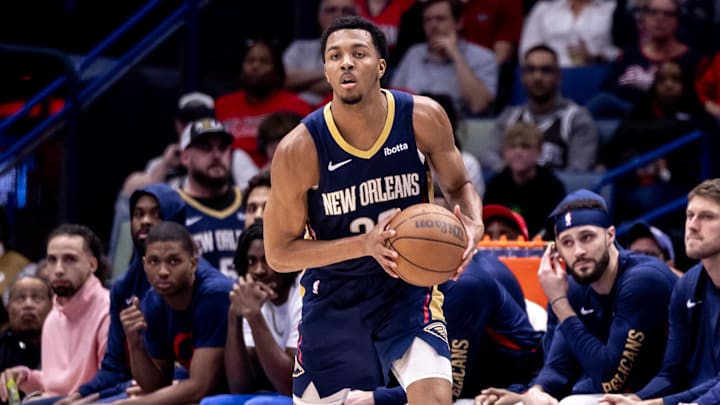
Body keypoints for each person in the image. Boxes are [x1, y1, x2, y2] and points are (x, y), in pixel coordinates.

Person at [264, 15, 484, 405]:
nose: (346, 62)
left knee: (434, 397)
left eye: (358, 53)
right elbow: (279, 254)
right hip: (334, 294)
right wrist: (363, 245)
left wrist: (473, 220)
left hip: (407, 285)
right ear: (326, 71)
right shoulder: (300, 149)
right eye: (335, 56)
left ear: (380, 66)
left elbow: (460, 186)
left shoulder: (422, 117)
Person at [477, 189, 678, 404]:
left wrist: (559, 302)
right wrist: (534, 392)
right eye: (567, 242)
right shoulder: (575, 286)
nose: (579, 251)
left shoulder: (642, 280)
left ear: (610, 235)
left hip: (669, 394)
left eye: (587, 237)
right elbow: (559, 363)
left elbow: (609, 380)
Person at [344, 252, 545, 404]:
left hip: (519, 378)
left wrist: (375, 397)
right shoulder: (404, 278)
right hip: (470, 369)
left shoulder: (464, 286)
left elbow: (450, 389)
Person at [59, 183, 189, 404]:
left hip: (174, 387)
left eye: (156, 214)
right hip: (129, 386)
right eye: (139, 214)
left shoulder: (191, 281)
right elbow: (113, 367)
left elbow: (186, 367)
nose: (145, 221)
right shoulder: (122, 287)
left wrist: (99, 396)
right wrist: (78, 395)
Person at [598, 178, 720, 405]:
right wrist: (637, 400)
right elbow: (671, 373)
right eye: (690, 215)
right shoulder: (686, 285)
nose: (692, 225)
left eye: (707, 216)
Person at [110, 221, 232, 405]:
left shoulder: (215, 295)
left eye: (173, 261)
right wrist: (135, 343)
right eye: (154, 262)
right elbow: (156, 386)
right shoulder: (152, 300)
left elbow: (201, 388)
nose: (163, 272)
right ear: (144, 264)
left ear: (192, 264)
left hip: (256, 390)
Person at [0, 224, 111, 403]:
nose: (58, 269)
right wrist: (26, 377)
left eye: (70, 259)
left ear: (92, 264)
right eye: (52, 260)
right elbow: (54, 384)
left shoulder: (108, 310)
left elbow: (113, 382)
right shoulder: (53, 318)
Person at [200, 221, 301, 405]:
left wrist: (253, 315)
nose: (259, 270)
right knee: (212, 403)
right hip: (276, 393)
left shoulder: (302, 293)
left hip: (313, 396)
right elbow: (239, 386)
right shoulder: (251, 296)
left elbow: (291, 386)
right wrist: (234, 315)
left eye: (267, 259)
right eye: (251, 261)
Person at [482, 45, 598, 173]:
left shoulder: (576, 118)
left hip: (558, 191)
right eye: (531, 70)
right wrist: (516, 179)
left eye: (546, 70)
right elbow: (489, 156)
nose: (538, 77)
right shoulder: (510, 117)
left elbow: (578, 170)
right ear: (522, 76)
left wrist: (539, 183)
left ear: (558, 76)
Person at [215, 38, 313, 168]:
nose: (255, 66)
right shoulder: (222, 106)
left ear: (277, 71)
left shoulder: (298, 106)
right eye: (250, 61)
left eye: (264, 62)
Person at [390, 0, 497, 115]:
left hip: (459, 127)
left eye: (440, 19)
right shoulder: (413, 54)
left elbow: (478, 105)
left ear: (459, 22)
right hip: (413, 123)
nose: (433, 25)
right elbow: (393, 102)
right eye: (428, 20)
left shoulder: (483, 57)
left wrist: (455, 55)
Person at [177, 118, 246, 278]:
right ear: (185, 156)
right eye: (205, 148)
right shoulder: (173, 208)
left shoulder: (250, 202)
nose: (216, 155)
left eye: (222, 148)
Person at [483, 121, 567, 238]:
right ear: (504, 152)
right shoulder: (495, 185)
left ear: (539, 151)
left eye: (525, 147)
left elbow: (556, 227)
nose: (518, 152)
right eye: (512, 146)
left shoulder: (552, 186)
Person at [283, 0, 359, 106]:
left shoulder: (365, 52)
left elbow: (355, 85)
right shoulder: (299, 48)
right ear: (320, 17)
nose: (338, 15)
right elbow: (284, 79)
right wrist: (331, 74)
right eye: (331, 10)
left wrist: (300, 83)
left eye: (346, 11)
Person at [519, 0, 618, 67]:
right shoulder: (544, 9)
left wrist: (598, 57)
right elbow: (527, 50)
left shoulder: (612, 8)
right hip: (549, 78)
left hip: (597, 73)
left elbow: (625, 53)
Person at [0, 275, 51, 372]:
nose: (28, 304)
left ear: (51, 306)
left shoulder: (64, 342)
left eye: (37, 298)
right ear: (8, 307)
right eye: (20, 299)